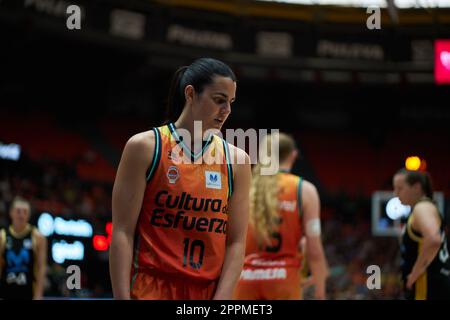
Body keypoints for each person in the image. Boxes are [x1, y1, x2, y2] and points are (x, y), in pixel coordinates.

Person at [109, 58, 251, 300]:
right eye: (219, 100)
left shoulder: (237, 161)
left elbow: (236, 243)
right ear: (190, 93)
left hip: (207, 293)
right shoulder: (145, 147)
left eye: (231, 102)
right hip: (150, 287)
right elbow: (122, 231)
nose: (227, 110)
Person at [233, 132, 328, 300]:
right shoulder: (304, 190)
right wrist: (320, 292)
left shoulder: (244, 187)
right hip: (284, 281)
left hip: (244, 282)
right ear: (293, 155)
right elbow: (314, 250)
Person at [393, 169, 450, 300]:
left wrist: (415, 273)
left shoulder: (422, 207)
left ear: (417, 187)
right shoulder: (424, 208)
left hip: (427, 288)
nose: (395, 193)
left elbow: (433, 240)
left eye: (400, 188)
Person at [0, 196, 47, 300]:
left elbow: (41, 268)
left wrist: (38, 295)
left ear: (29, 214)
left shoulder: (38, 236)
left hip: (29, 293)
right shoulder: (2, 236)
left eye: (25, 212)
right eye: (18, 211)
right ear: (11, 212)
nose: (21, 215)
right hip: (5, 293)